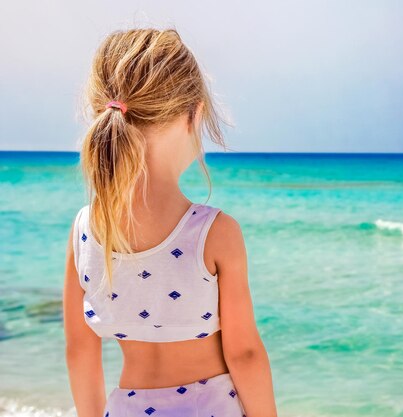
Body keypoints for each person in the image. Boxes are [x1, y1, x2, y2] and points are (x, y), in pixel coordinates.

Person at [62, 28, 277, 417]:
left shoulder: (86, 229)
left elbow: (80, 350)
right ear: (193, 115)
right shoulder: (214, 232)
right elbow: (244, 353)